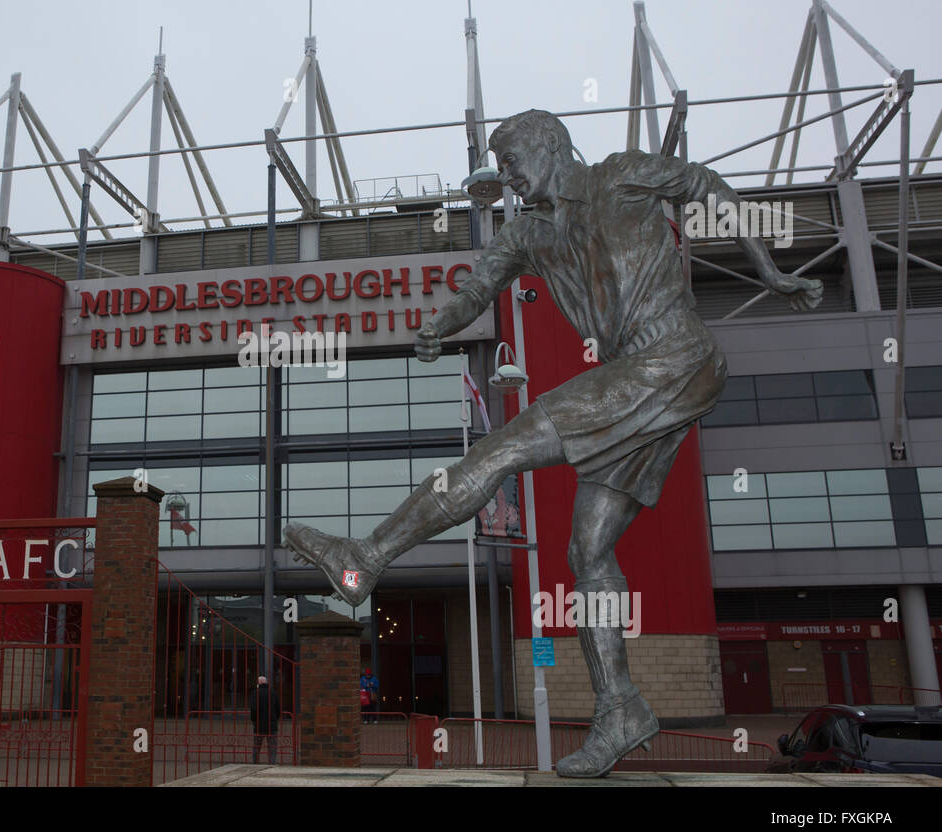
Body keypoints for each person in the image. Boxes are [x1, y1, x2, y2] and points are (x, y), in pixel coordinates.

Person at [285, 109, 822, 777]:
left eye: (511, 157)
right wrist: (437, 326)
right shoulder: (527, 233)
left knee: (501, 449)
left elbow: (705, 183)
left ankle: (366, 556)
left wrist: (767, 269)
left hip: (673, 358)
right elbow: (478, 287)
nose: (505, 174)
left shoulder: (620, 176)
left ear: (552, 144)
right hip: (647, 378)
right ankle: (621, 707)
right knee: (588, 548)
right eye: (499, 165)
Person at [248, 675, 280, 765]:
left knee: (256, 747)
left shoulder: (255, 693)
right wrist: (275, 719)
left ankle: (255, 763)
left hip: (259, 725)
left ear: (258, 683)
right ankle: (272, 763)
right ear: (266, 682)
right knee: (272, 747)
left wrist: (254, 721)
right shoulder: (273, 693)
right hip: (272, 725)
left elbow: (253, 709)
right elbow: (278, 709)